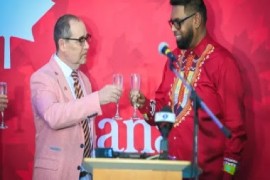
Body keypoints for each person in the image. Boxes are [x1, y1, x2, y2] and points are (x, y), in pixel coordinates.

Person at [130, 0, 246, 179]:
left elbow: (235, 130)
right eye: (171, 23)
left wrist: (226, 175)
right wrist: (144, 104)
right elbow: (162, 112)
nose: (173, 28)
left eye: (178, 22)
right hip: (171, 173)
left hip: (208, 175)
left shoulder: (223, 63)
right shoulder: (173, 58)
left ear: (196, 20)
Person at [30, 14, 122, 180]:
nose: (86, 46)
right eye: (80, 40)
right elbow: (53, 115)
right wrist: (97, 99)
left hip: (86, 174)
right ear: (63, 44)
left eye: (87, 39)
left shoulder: (83, 80)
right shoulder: (42, 77)